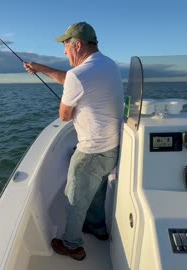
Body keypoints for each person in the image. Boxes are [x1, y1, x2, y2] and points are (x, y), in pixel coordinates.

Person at [23, 22, 124, 261]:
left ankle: (72, 245)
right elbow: (71, 79)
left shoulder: (79, 76)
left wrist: (72, 105)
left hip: (90, 151)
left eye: (66, 46)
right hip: (111, 147)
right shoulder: (107, 65)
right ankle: (97, 228)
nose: (64, 52)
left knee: (74, 199)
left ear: (77, 45)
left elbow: (64, 115)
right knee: (97, 191)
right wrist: (41, 68)